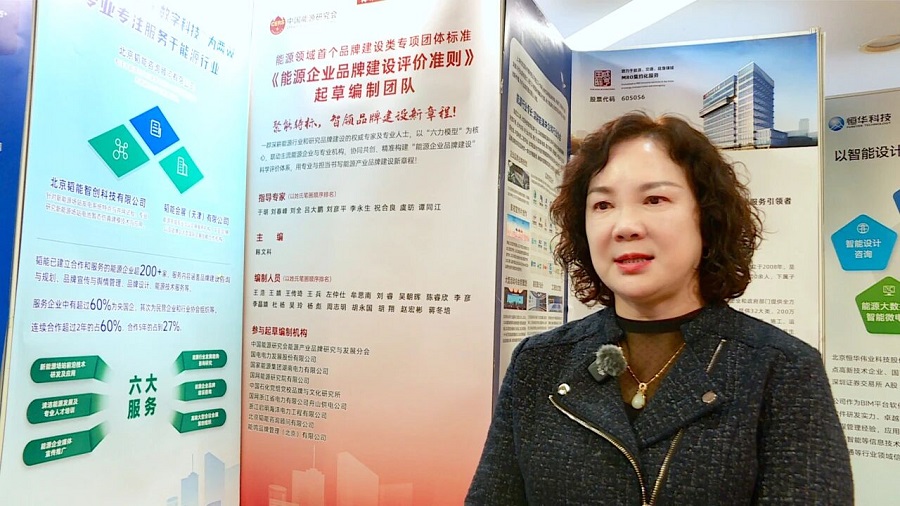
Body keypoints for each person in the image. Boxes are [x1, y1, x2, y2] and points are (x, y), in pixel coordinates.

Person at [466, 112, 853, 504]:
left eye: (655, 199)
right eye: (603, 204)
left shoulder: (780, 369)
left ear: (707, 216)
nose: (625, 226)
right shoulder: (539, 362)